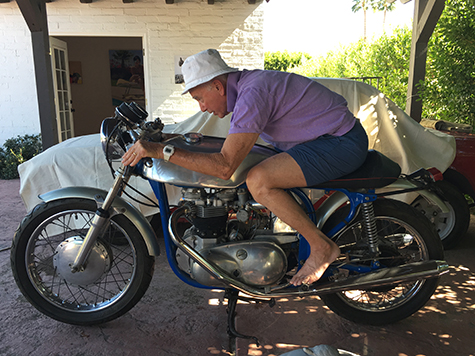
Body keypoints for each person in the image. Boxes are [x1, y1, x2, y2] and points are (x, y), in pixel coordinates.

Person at [122, 49, 369, 286]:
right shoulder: (249, 87)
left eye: (199, 98)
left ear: (217, 86)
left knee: (259, 180)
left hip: (340, 142)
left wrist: (163, 151)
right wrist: (169, 139)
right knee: (256, 170)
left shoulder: (253, 94)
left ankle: (321, 246)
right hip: (325, 139)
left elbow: (224, 166)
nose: (202, 107)